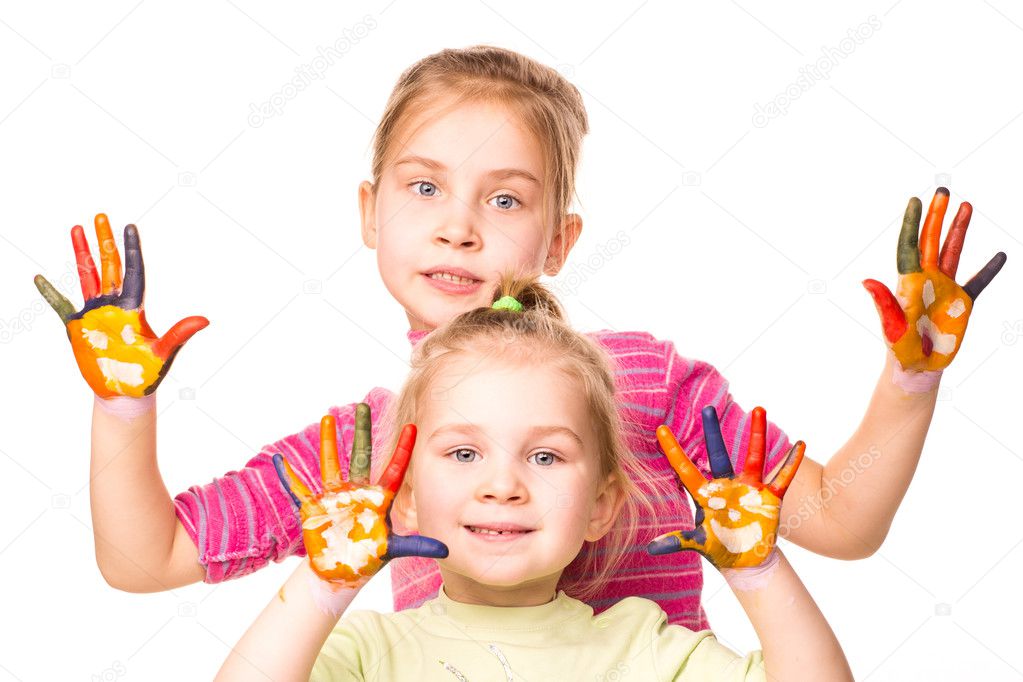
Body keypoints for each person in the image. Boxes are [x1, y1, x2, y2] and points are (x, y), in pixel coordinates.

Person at [34, 45, 1006, 631]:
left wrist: (908, 381)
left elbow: (841, 521)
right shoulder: (363, 448)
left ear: (560, 237)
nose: (459, 223)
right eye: (425, 187)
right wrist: (124, 404)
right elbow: (145, 558)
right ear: (370, 211)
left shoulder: (651, 384)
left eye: (505, 197)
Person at [216, 280, 852, 681]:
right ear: (405, 499)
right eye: (463, 453)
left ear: (602, 505)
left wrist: (758, 570)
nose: (503, 485)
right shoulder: (365, 653)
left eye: (545, 457)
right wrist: (325, 581)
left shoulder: (644, 646)